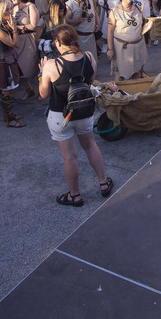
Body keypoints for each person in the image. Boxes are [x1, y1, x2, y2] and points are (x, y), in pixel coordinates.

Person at [39, 24, 111, 207]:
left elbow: (43, 94)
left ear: (57, 43)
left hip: (60, 116)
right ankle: (103, 182)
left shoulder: (51, 64)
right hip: (84, 112)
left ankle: (75, 195)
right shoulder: (88, 57)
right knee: (90, 145)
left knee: (70, 157)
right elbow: (90, 81)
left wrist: (42, 74)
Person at [0, 0, 26, 128]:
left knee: (11, 89)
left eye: (11, 9)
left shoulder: (4, 26)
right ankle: (10, 119)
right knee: (7, 91)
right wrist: (14, 29)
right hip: (5, 63)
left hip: (10, 60)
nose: (11, 12)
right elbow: (14, 43)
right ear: (0, 13)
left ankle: (9, 115)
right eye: (7, 10)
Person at [107, 0, 147, 80]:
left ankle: (135, 94)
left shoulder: (137, 8)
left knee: (137, 73)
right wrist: (110, 49)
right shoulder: (114, 11)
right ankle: (119, 94)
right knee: (121, 75)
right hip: (122, 49)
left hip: (137, 47)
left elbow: (141, 25)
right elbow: (110, 32)